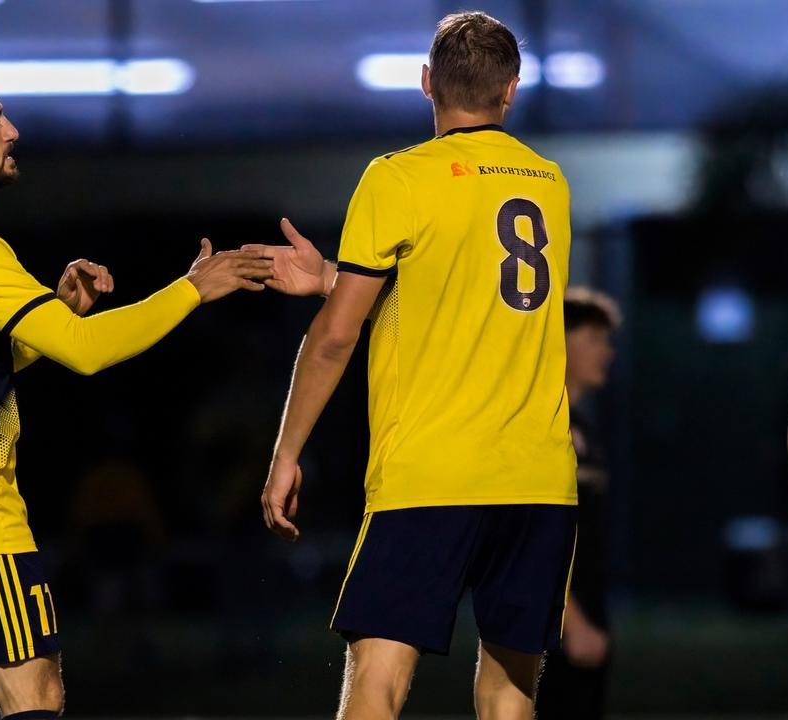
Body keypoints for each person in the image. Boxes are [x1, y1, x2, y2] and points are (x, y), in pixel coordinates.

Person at [0, 62, 272, 720]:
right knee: (36, 695)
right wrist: (196, 286)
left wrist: (54, 311)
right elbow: (87, 354)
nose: (13, 131)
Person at [254, 11, 575, 720]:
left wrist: (286, 451)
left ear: (426, 83)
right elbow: (454, 289)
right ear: (511, 91)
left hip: (431, 474)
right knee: (509, 696)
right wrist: (335, 275)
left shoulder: (397, 178)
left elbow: (338, 337)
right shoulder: (550, 182)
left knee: (379, 680)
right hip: (537, 478)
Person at [534, 288, 620, 720]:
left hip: (586, 616)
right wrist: (570, 619)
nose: (607, 353)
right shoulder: (539, 424)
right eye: (595, 338)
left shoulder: (582, 426)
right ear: (558, 340)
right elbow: (531, 534)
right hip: (554, 629)